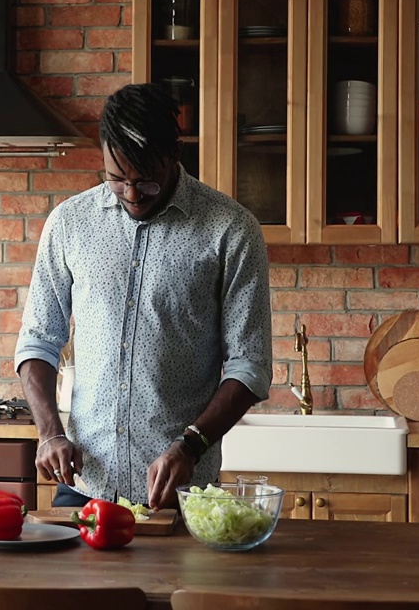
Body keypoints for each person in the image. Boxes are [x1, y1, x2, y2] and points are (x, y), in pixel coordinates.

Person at [14, 82, 273, 509]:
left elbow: (250, 365)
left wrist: (190, 446)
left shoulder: (230, 229)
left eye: (147, 183)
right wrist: (50, 433)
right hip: (85, 488)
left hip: (181, 492)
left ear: (175, 155)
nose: (132, 195)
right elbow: (38, 341)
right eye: (117, 180)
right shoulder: (69, 224)